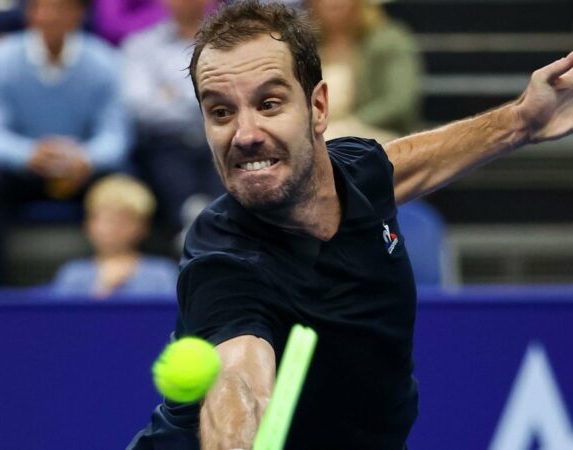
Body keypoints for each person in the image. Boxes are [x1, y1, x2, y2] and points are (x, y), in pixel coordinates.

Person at [128, 1, 573, 449]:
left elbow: (410, 164)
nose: (245, 134)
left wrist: (520, 122)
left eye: (269, 103)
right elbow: (238, 378)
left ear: (318, 108)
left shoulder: (356, 170)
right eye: (221, 112)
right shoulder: (223, 256)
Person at [0, 0, 131, 285]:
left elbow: (116, 136)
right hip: (22, 171)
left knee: (125, 183)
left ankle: (126, 283)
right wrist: (27, 154)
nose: (49, 16)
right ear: (30, 14)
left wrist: (86, 158)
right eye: (41, 7)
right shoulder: (0, 60)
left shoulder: (104, 61)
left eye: (61, 8)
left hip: (82, 171)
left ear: (79, 15)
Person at [121, 0, 222, 235]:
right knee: (164, 163)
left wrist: (172, 95)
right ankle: (193, 231)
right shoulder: (141, 45)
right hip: (166, 143)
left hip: (218, 137)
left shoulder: (230, 41)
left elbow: (237, 95)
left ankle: (204, 229)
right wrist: (205, 99)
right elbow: (140, 106)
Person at [309, 0, 422, 140]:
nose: (334, 3)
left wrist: (352, 123)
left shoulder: (389, 40)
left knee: (324, 142)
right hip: (318, 128)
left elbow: (399, 102)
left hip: (377, 132)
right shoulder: (305, 44)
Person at [52, 174, 178, 298]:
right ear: (88, 224)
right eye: (104, 220)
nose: (112, 228)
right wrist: (102, 289)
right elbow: (65, 317)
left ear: (143, 227)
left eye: (123, 221)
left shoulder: (162, 273)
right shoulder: (73, 274)